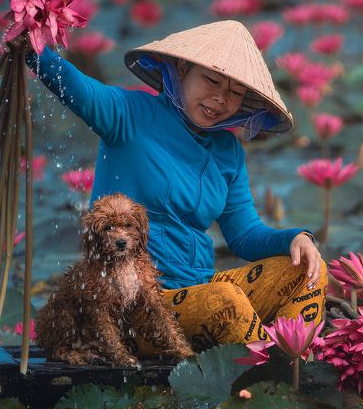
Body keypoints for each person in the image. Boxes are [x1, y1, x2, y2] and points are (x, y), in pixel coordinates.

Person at [20, 20, 327, 354]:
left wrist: (295, 238)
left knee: (308, 271)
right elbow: (75, 86)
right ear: (182, 69)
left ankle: (295, 360)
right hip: (135, 305)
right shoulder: (129, 115)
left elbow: (244, 234)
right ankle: (275, 373)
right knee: (226, 303)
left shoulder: (229, 152)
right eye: (211, 80)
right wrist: (29, 44)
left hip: (197, 294)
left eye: (235, 93)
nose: (220, 99)